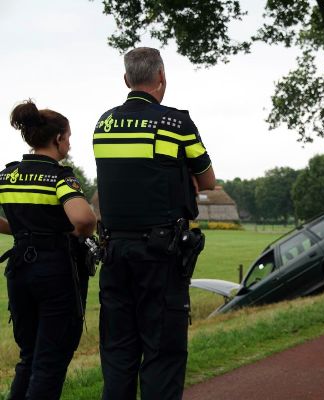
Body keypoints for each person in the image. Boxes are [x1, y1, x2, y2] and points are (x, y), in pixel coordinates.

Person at [94, 47, 215, 400]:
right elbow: (207, 181)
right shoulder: (177, 123)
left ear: (126, 79)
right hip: (160, 256)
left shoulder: (104, 124)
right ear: (161, 77)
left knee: (117, 353)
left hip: (114, 252)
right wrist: (182, 175)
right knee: (162, 353)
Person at [0, 100, 96, 399]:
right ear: (57, 139)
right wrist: (70, 230)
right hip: (55, 269)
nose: (68, 144)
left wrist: (24, 230)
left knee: (28, 357)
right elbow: (83, 219)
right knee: (50, 360)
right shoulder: (59, 176)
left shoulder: (8, 175)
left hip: (19, 269)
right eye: (68, 137)